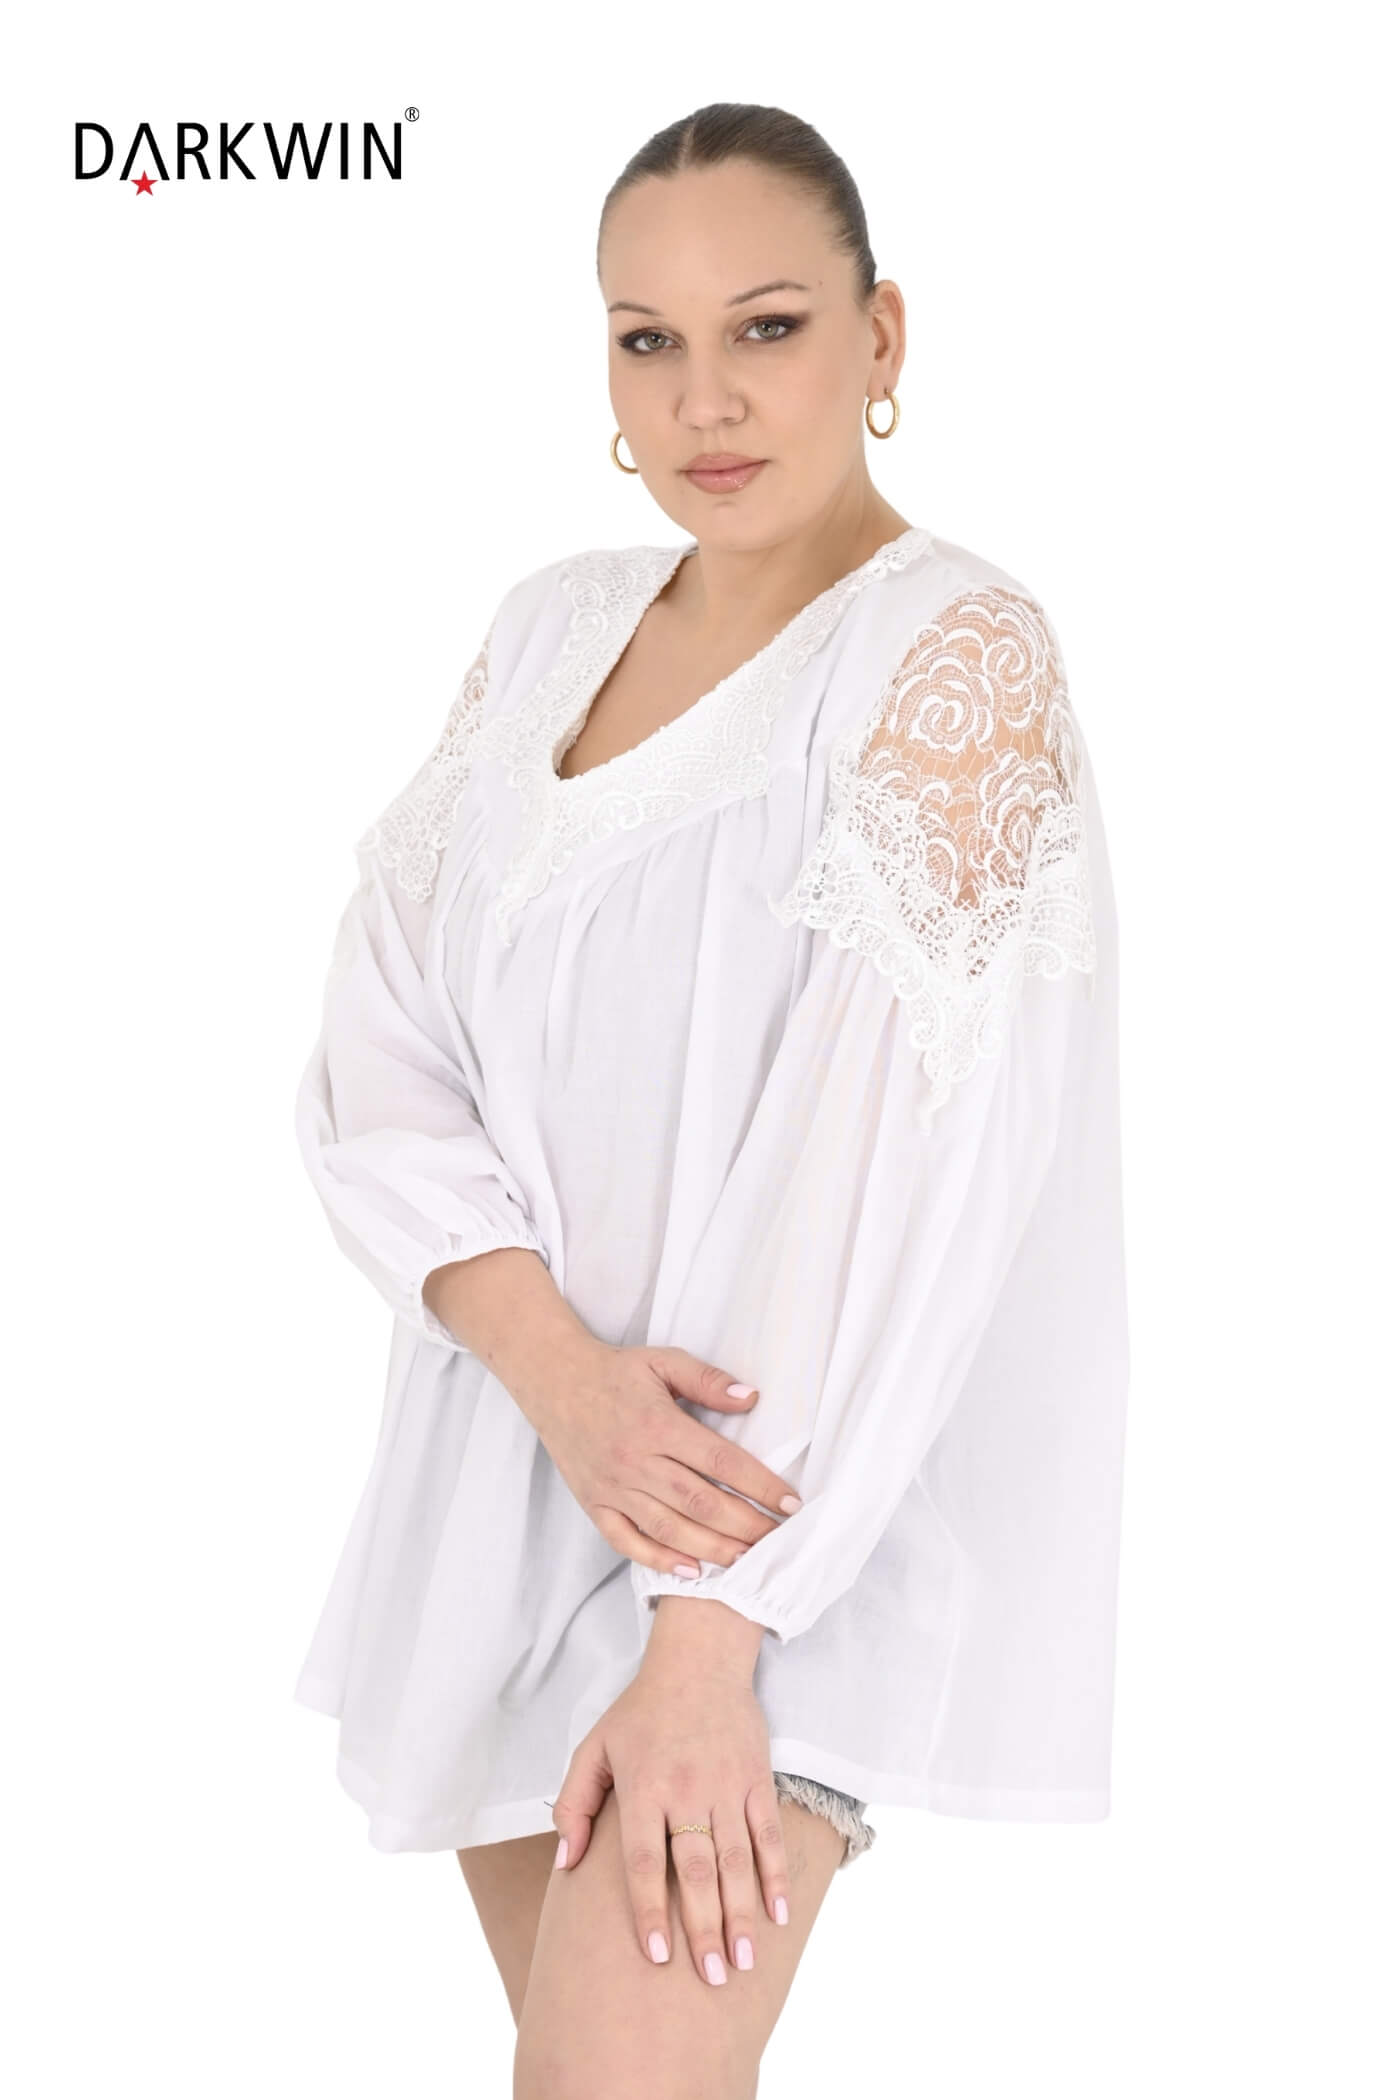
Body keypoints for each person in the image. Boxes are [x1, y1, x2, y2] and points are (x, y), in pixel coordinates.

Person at [291, 100, 1129, 2098]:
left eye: (765, 327)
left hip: (767, 1546)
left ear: (881, 333)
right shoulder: (552, 626)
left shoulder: (950, 651)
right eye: (645, 339)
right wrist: (558, 1378)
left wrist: (708, 1631)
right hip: (520, 1478)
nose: (704, 399)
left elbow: (887, 1170)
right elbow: (377, 1039)